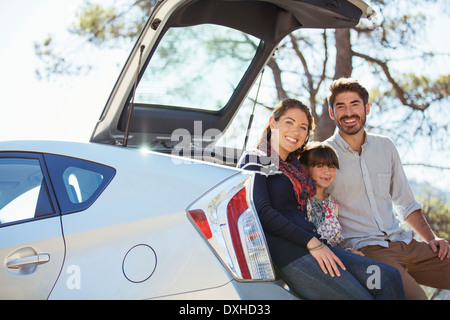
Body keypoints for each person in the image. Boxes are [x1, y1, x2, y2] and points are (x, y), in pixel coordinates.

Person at [238, 98, 405, 300]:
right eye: (289, 122)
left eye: (303, 127)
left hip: (315, 245)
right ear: (273, 122)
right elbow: (261, 212)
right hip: (290, 253)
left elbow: (304, 218)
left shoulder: (296, 168)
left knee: (388, 277)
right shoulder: (256, 157)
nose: (296, 131)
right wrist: (312, 243)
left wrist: (332, 248)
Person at [325, 77, 450, 300]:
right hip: (368, 251)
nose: (348, 112)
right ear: (332, 113)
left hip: (405, 242)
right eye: (340, 106)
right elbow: (317, 212)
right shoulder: (323, 155)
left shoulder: (385, 146)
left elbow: (406, 203)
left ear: (367, 108)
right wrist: (343, 250)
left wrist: (431, 239)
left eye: (354, 104)